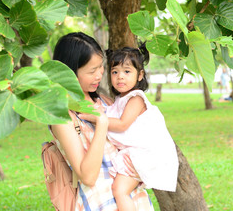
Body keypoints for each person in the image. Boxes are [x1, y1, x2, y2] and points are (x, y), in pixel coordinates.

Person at [49, 32, 154, 211]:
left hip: (134, 199)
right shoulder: (62, 117)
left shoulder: (105, 102)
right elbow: (87, 177)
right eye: (92, 71)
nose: (99, 75)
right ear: (70, 73)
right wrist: (102, 124)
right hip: (100, 202)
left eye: (101, 67)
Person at [82, 44, 179, 211]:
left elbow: (121, 124)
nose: (120, 77)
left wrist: (97, 118)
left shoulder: (136, 98)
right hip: (137, 153)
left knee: (119, 191)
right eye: (115, 72)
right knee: (119, 190)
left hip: (145, 154)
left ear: (140, 75)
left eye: (127, 72)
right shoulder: (120, 99)